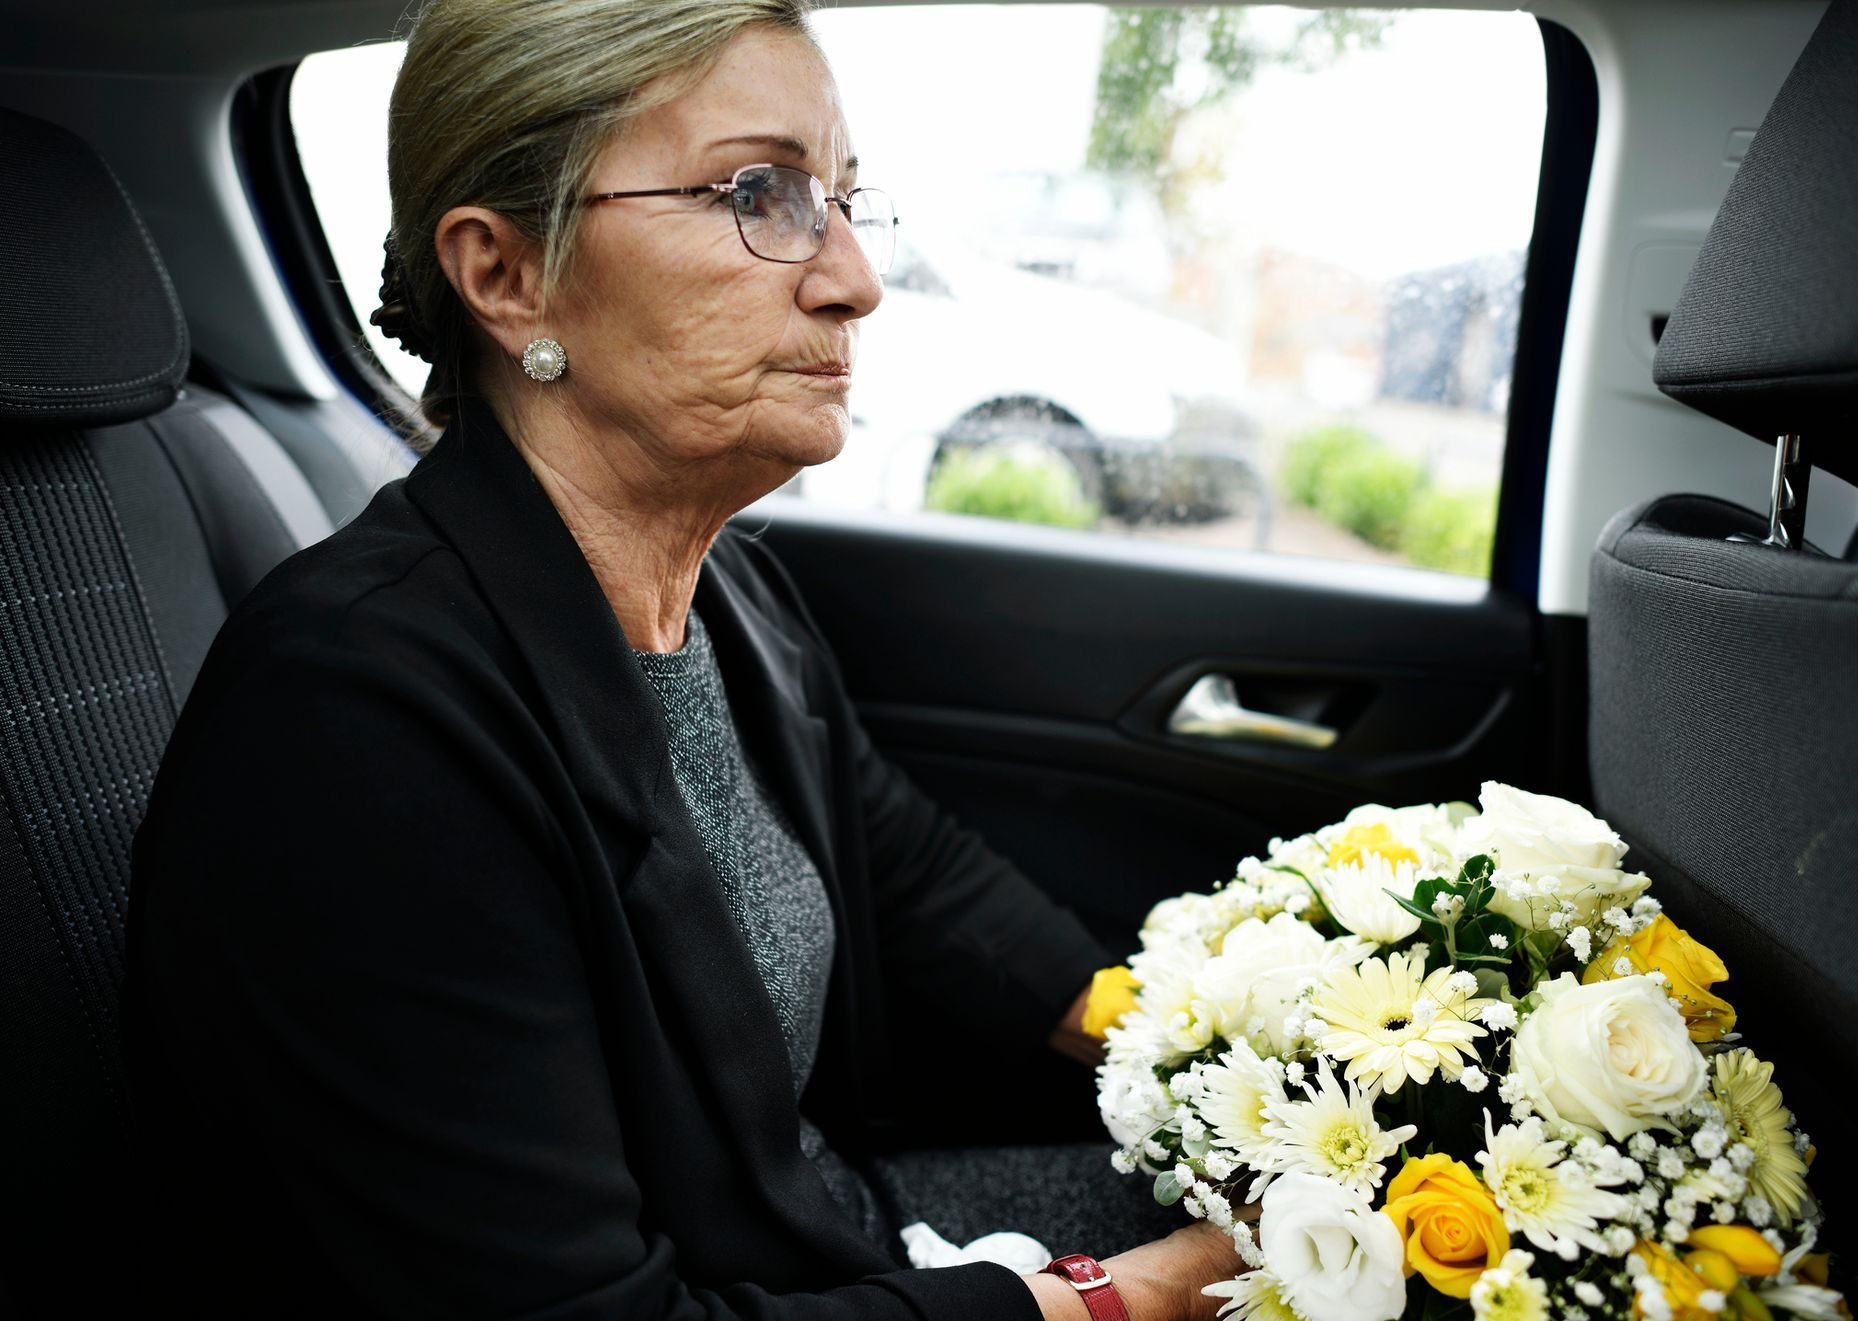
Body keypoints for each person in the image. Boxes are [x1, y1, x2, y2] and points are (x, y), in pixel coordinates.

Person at [123, 1, 1245, 1317]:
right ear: (505, 276)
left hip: (826, 1221)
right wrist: (1128, 1300)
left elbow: (921, 880)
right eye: (759, 194)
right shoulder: (359, 717)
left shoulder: (735, 598)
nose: (854, 280)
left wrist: (1229, 1060)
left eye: (841, 200)